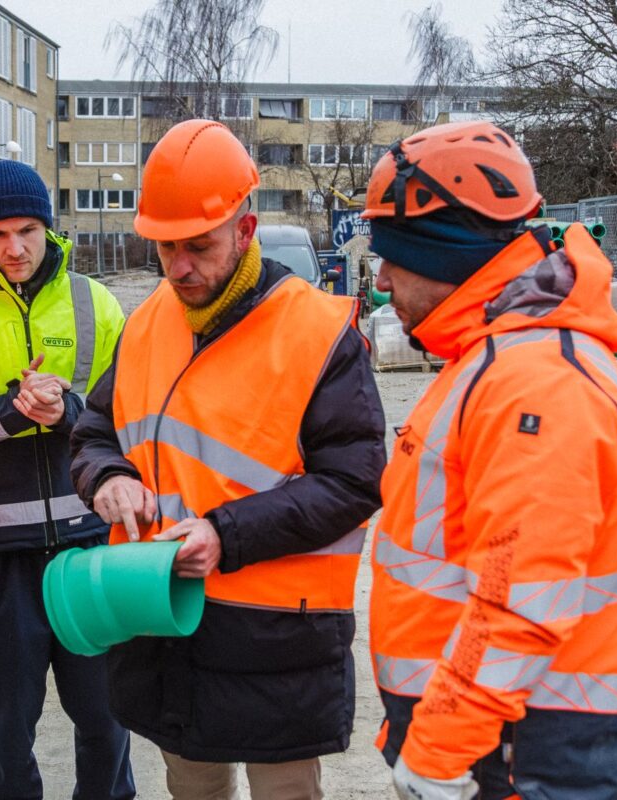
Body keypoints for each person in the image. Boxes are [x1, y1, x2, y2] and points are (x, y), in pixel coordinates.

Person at [70, 118, 386, 800]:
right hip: (165, 628)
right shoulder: (150, 320)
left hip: (279, 645)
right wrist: (110, 477)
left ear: (245, 232)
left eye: (199, 246)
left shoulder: (319, 333)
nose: (180, 267)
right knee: (193, 787)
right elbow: (95, 428)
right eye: (164, 248)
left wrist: (226, 533)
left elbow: (355, 482)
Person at [365, 120, 617, 800]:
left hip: (524, 752)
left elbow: (520, 603)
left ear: (446, 254)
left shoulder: (537, 381)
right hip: (505, 741)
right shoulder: (498, 359)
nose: (381, 279)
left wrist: (437, 754)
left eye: (393, 256)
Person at [0, 159, 134, 800]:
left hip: (89, 551)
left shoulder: (94, 302)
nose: (15, 248)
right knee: (2, 735)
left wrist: (70, 412)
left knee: (109, 722)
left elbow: (129, 411)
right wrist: (9, 413)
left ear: (49, 229)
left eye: (27, 230)